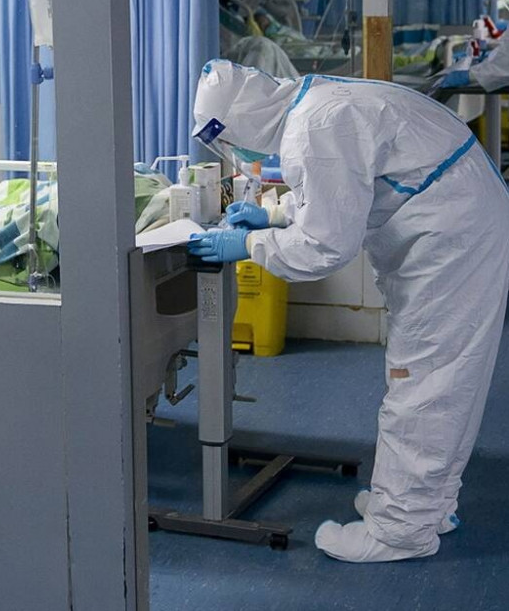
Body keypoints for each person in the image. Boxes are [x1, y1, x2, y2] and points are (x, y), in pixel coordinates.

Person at [188, 60, 509, 563]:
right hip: (458, 222)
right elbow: (342, 188)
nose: (235, 151)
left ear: (242, 119)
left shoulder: (314, 127)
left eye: (226, 138)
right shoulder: (313, 105)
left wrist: (249, 244)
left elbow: (324, 247)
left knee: (423, 379)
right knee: (444, 380)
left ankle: (400, 531)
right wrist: (275, 213)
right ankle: (426, 507)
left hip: (452, 238)